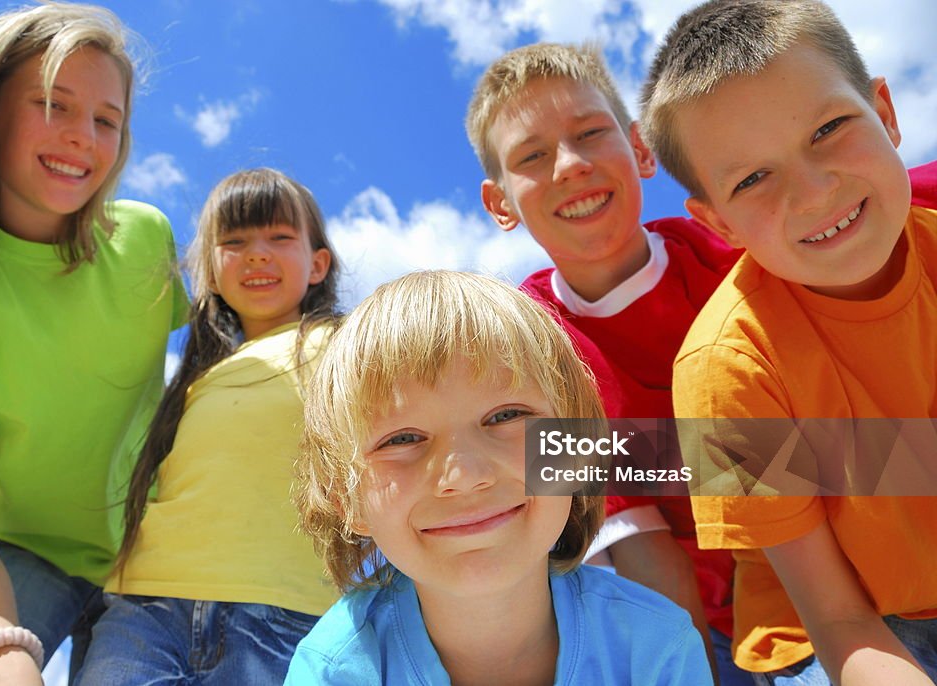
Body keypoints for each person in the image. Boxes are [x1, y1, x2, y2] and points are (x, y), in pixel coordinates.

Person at [640, 0, 937, 683]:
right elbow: (835, 618)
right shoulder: (721, 373)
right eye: (752, 178)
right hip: (832, 633)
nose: (812, 192)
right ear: (719, 224)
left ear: (886, 113)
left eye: (829, 128)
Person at [0, 3, 186, 685]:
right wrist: (0, 657)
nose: (81, 138)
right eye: (52, 104)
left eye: (106, 120)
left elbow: (231, 352)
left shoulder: (145, 237)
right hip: (6, 557)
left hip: (154, 563)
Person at [465, 42, 746, 684]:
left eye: (591, 133)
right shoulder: (528, 343)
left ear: (641, 149)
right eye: (532, 156)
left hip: (845, 582)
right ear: (500, 202)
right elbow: (639, 542)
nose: (569, 165)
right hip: (692, 629)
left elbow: (876, 454)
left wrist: (641, 452)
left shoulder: (731, 254)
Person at [286, 270, 712, 685]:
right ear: (345, 497)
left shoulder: (658, 648)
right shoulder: (330, 672)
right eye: (402, 439)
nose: (465, 476)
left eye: (506, 416)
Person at [74, 169, 341, 685]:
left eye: (280, 238)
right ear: (211, 274)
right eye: (234, 241)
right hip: (146, 605)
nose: (257, 253)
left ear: (318, 264)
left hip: (287, 612)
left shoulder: (343, 344)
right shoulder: (193, 382)